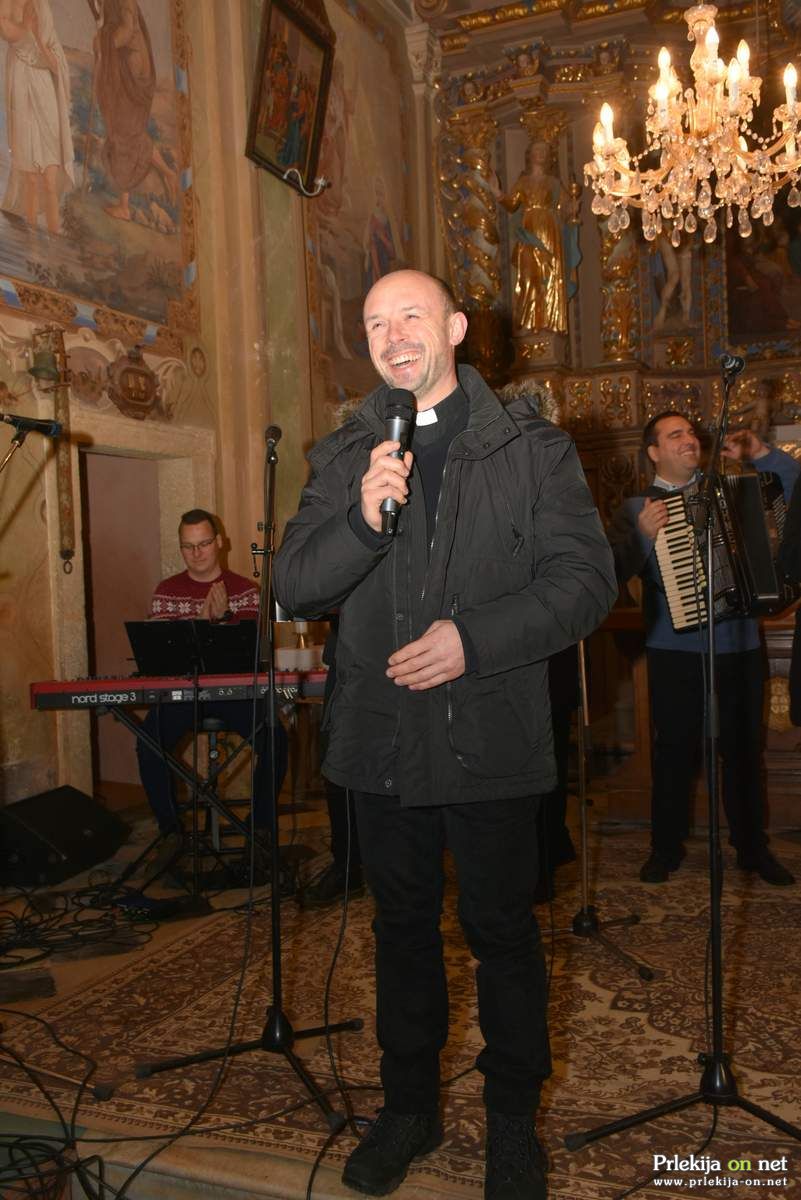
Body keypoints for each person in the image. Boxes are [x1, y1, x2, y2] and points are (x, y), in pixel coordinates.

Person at [273, 268, 616, 1199]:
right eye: (373, 322)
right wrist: (360, 519)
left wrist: (474, 639)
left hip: (490, 735)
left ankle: (512, 1123)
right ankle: (408, 1111)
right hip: (380, 740)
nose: (392, 336)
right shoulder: (344, 453)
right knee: (400, 933)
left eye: (410, 316)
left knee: (502, 933)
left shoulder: (532, 448)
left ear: (457, 328)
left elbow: (586, 583)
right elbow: (295, 585)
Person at [607, 413, 798, 886]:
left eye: (691, 433)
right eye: (676, 435)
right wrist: (643, 536)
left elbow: (796, 494)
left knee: (744, 751)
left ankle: (752, 849)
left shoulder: (730, 491)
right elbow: (610, 572)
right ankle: (664, 848)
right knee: (673, 751)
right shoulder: (636, 507)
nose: (689, 440)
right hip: (674, 649)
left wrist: (762, 455)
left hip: (740, 643)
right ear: (653, 452)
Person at [137, 509, 288, 847]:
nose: (197, 553)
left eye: (204, 543)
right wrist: (201, 622)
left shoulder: (246, 591)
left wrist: (221, 622)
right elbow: (160, 658)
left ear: (220, 542)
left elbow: (251, 655)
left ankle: (259, 826)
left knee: (275, 739)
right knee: (148, 741)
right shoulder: (166, 592)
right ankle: (171, 833)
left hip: (234, 695)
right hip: (181, 695)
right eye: (188, 546)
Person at [93, 0, 177, 222]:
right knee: (128, 133)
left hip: (132, 71)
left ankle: (125, 207)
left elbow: (127, 30)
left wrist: (104, 43)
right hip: (126, 66)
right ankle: (168, 174)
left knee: (124, 134)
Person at [1, 0, 74, 235]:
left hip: (44, 89)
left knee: (50, 179)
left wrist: (38, 41)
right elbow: (5, 29)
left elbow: (55, 60)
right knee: (30, 178)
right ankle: (32, 242)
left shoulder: (42, 6)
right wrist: (25, 28)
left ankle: (54, 237)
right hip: (21, 83)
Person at [492, 140, 579, 335]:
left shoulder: (554, 183)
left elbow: (564, 208)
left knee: (551, 275)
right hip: (529, 231)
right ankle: (531, 322)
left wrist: (571, 208)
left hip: (550, 232)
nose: (541, 153)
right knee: (530, 276)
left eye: (544, 151)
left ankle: (550, 323)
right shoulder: (522, 183)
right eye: (537, 150)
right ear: (530, 155)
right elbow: (512, 204)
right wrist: (498, 193)